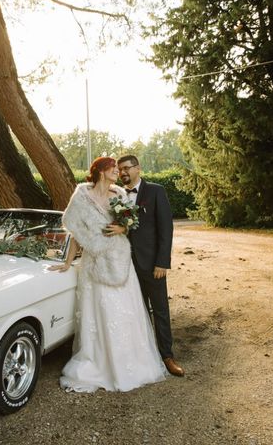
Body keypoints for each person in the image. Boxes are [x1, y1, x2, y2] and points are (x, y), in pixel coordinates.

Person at [50, 156, 166, 392]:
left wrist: (124, 227)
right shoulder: (81, 197)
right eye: (114, 169)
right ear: (102, 171)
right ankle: (100, 364)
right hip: (94, 264)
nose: (118, 173)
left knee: (126, 313)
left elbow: (134, 225)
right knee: (100, 314)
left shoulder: (121, 196)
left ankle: (131, 362)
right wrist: (67, 262)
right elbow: (76, 233)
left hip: (121, 261)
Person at [117, 154, 185, 377]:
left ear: (138, 169)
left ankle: (167, 355)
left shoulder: (156, 191)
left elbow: (166, 229)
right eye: (120, 169)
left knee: (160, 311)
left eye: (127, 168)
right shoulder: (117, 195)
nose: (123, 172)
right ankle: (144, 355)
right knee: (137, 311)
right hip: (126, 266)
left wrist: (162, 262)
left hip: (152, 264)